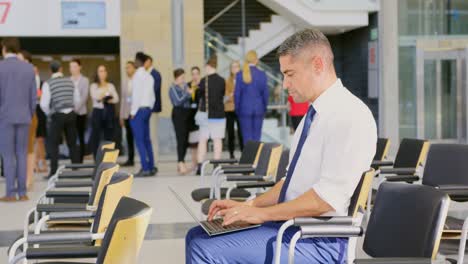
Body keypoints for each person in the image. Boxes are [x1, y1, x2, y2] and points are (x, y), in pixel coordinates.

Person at [185, 29, 377, 263]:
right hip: (291, 227)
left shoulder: (349, 115)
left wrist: (261, 214)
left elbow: (325, 199)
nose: (285, 84)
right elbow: (290, 183)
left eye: (290, 74)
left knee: (205, 248)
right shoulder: (313, 115)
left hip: (317, 241)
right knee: (197, 235)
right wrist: (248, 205)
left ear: (317, 65)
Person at [0, 38, 36, 201]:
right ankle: (22, 193)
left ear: (4, 49)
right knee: (22, 153)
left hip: (5, 116)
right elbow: (33, 97)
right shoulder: (28, 68)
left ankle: (10, 193)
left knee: (8, 155)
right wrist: (29, 113)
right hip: (24, 116)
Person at [40, 60, 79, 178]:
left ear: (50, 70)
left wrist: (50, 113)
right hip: (71, 114)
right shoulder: (70, 81)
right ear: (61, 69)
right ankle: (76, 169)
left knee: (53, 144)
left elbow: (44, 104)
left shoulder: (48, 83)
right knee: (72, 143)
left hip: (57, 115)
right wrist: (72, 109)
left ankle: (53, 172)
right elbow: (77, 99)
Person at [196, 55, 226, 174]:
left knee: (202, 140)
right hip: (218, 115)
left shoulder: (204, 81)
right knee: (217, 140)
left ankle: (199, 166)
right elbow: (222, 95)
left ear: (208, 66)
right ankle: (216, 165)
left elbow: (199, 96)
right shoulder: (222, 80)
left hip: (205, 115)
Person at [234, 50, 269, 145]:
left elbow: (237, 94)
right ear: (256, 60)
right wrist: (264, 107)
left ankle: (249, 159)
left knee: (247, 137)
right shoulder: (262, 74)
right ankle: (256, 158)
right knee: (257, 137)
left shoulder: (239, 75)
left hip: (244, 110)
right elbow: (265, 94)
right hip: (258, 109)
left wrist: (237, 109)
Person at [131, 52, 156, 177]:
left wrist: (132, 112)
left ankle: (145, 168)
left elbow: (136, 96)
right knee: (147, 140)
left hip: (139, 110)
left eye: (135, 60)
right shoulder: (149, 76)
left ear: (138, 61)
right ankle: (151, 166)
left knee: (140, 140)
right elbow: (153, 97)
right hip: (147, 109)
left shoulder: (137, 75)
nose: (134, 62)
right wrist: (150, 108)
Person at [18, 50, 38, 191]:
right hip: (19, 114)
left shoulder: (31, 74)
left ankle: (29, 178)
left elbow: (32, 98)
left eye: (20, 59)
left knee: (29, 148)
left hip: (29, 114)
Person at [89, 65, 119, 158]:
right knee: (96, 135)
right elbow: (95, 97)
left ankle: (109, 157)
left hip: (109, 111)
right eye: (100, 71)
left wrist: (106, 97)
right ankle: (96, 157)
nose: (102, 73)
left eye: (104, 71)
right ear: (97, 73)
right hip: (97, 112)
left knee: (109, 135)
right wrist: (105, 95)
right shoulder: (93, 86)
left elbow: (116, 99)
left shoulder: (110, 85)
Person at [169, 69, 193, 174]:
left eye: (184, 77)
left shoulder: (185, 86)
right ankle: (180, 162)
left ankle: (181, 163)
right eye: (182, 77)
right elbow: (177, 101)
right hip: (178, 114)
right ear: (176, 77)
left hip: (187, 114)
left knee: (185, 140)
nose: (183, 79)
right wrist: (187, 94)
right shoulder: (173, 88)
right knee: (180, 139)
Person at [69, 58, 89, 162]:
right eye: (71, 67)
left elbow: (85, 96)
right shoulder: (68, 80)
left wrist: (76, 109)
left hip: (81, 112)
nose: (72, 69)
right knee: (71, 137)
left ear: (80, 67)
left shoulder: (85, 80)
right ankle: (73, 159)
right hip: (70, 113)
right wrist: (72, 109)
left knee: (81, 136)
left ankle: (81, 159)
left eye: (75, 66)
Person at [144, 55, 162, 169]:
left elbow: (153, 91)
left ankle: (154, 162)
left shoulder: (155, 74)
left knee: (153, 136)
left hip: (153, 109)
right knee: (148, 136)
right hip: (146, 110)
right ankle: (150, 160)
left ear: (149, 62)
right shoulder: (145, 75)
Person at [224, 60, 244, 159]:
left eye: (236, 66)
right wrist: (234, 95)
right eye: (233, 67)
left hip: (240, 109)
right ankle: (231, 154)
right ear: (230, 69)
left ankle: (243, 152)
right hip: (229, 110)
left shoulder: (244, 79)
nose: (235, 69)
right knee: (230, 132)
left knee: (241, 132)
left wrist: (233, 94)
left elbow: (243, 95)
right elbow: (227, 96)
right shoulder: (227, 81)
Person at [119, 61, 136, 167]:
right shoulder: (125, 82)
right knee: (129, 137)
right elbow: (123, 99)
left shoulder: (137, 81)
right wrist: (121, 115)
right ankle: (130, 158)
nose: (127, 70)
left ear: (134, 68)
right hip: (127, 114)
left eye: (129, 67)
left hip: (136, 113)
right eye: (126, 68)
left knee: (138, 137)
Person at [188, 66, 201, 173]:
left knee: (200, 143)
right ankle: (194, 164)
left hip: (201, 119)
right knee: (192, 144)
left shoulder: (202, 86)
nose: (195, 76)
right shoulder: (188, 86)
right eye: (193, 74)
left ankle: (200, 165)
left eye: (196, 73)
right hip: (190, 119)